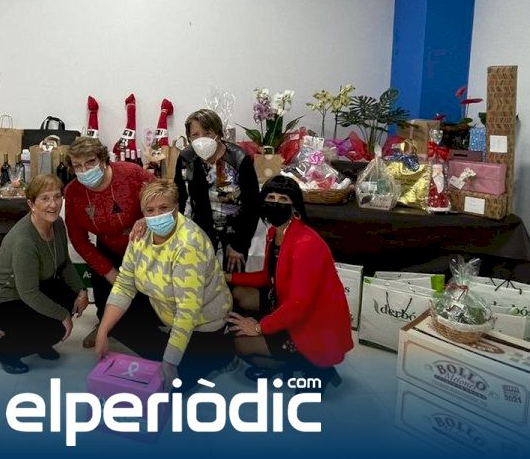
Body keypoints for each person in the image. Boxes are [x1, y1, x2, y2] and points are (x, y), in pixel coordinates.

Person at [94, 180, 234, 388]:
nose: (157, 215)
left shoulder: (189, 244)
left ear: (176, 208)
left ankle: (220, 350)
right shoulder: (140, 233)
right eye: (150, 210)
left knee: (174, 384)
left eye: (164, 208)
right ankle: (174, 349)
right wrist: (103, 330)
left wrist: (169, 362)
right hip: (165, 311)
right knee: (115, 322)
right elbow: (124, 283)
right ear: (142, 213)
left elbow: (188, 311)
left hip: (201, 323)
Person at [225, 176, 352, 387]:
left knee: (241, 343)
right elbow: (268, 277)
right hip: (289, 305)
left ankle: (308, 365)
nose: (275, 204)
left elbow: (299, 304)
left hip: (312, 322)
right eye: (271, 198)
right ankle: (287, 355)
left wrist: (258, 328)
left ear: (294, 206)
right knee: (239, 293)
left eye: (283, 199)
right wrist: (229, 277)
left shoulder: (305, 243)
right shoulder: (275, 233)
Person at [0, 174, 88, 374]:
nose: (53, 204)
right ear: (31, 204)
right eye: (45, 198)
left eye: (57, 197)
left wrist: (81, 290)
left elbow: (64, 263)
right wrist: (63, 316)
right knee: (56, 328)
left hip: (27, 288)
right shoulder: (25, 241)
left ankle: (38, 342)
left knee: (69, 297)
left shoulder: (57, 224)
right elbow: (29, 293)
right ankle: (4, 350)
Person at [63, 136, 157, 348]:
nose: (84, 170)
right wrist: (108, 271)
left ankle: (148, 324)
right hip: (107, 247)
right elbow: (78, 238)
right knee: (104, 288)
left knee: (143, 306)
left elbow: (164, 199)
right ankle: (104, 325)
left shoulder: (132, 173)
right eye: (77, 166)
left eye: (90, 162)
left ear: (103, 159)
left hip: (143, 244)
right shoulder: (73, 192)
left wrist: (147, 218)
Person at [173, 109, 260, 273]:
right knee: (199, 280)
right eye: (195, 135)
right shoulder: (186, 158)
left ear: (218, 133)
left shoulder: (238, 158)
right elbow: (179, 197)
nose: (201, 139)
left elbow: (252, 205)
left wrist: (239, 245)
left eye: (207, 133)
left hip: (234, 234)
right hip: (197, 233)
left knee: (231, 279)